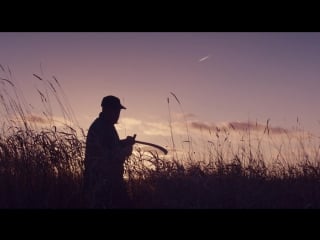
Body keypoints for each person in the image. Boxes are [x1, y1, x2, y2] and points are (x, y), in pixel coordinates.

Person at [83, 95, 136, 208]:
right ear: (107, 110)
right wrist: (124, 152)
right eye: (116, 110)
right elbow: (107, 156)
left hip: (109, 182)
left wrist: (125, 142)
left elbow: (110, 146)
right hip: (101, 184)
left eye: (118, 111)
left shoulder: (106, 126)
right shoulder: (101, 127)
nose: (118, 114)